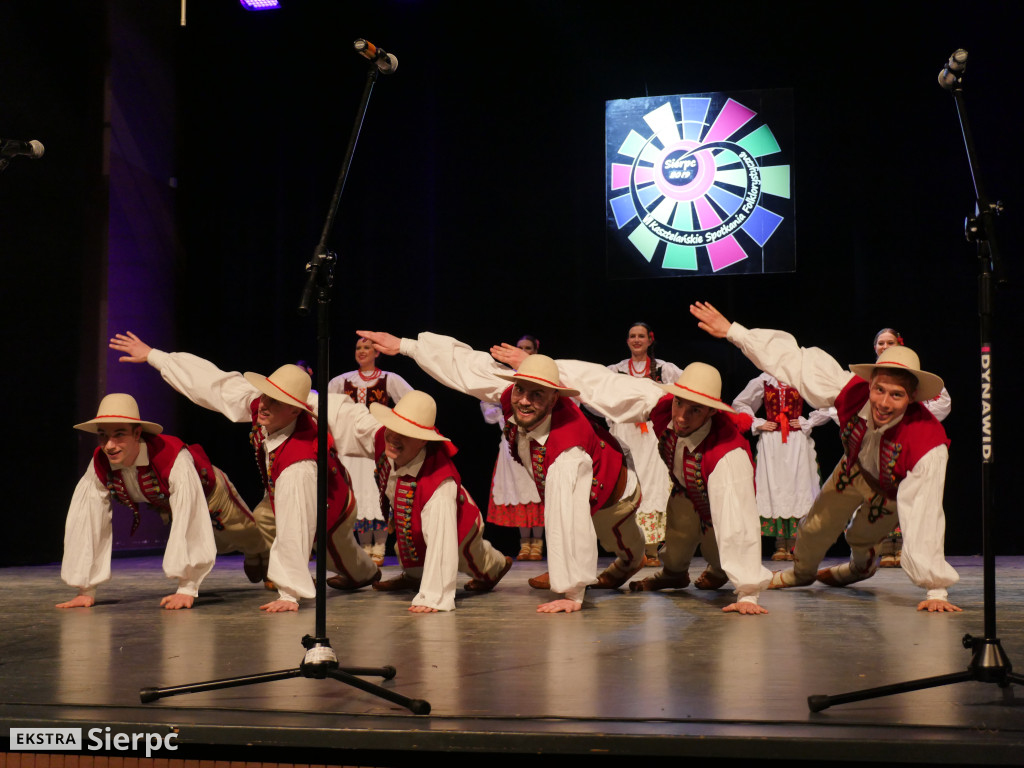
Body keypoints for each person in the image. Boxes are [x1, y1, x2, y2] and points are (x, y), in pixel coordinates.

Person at [690, 301, 961, 612]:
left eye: (896, 395)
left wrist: (935, 590)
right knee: (814, 527)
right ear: (870, 384)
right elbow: (795, 360)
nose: (884, 403)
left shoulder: (927, 442)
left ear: (912, 397)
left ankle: (858, 569)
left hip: (891, 489)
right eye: (879, 390)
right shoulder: (850, 390)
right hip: (854, 469)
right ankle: (801, 573)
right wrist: (734, 332)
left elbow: (926, 514)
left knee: (861, 536)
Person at [357, 329, 646, 614]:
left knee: (618, 536)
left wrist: (571, 590)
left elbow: (569, 517)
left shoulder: (567, 454)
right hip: (580, 477)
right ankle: (584, 566)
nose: (523, 401)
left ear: (555, 398)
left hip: (614, 491)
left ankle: (629, 562)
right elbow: (469, 367)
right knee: (584, 522)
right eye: (521, 389)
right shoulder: (513, 395)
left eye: (537, 394)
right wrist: (405, 345)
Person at [109, 331, 381, 613]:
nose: (264, 404)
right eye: (266, 396)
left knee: (334, 550)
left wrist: (289, 594)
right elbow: (213, 385)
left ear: (295, 411)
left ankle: (364, 573)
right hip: (279, 492)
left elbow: (294, 527)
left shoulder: (300, 462)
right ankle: (266, 563)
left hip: (332, 504)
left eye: (275, 401)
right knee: (263, 517)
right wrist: (155, 355)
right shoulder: (261, 405)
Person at [496, 347, 771, 615]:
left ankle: (719, 570)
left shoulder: (728, 456)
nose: (681, 417)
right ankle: (674, 574)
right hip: (685, 494)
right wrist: (539, 367)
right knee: (676, 539)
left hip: (718, 505)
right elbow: (604, 384)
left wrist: (748, 592)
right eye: (679, 403)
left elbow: (739, 522)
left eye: (695, 410)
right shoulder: (663, 405)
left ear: (712, 412)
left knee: (719, 547)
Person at [311, 388, 513, 612]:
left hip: (460, 528)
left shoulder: (438, 486)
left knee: (472, 557)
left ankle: (497, 566)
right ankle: (415, 576)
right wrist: (301, 400)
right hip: (416, 519)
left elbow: (442, 543)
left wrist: (433, 597)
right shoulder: (384, 436)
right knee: (410, 535)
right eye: (394, 428)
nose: (395, 437)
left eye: (406, 433)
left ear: (424, 441)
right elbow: (347, 416)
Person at [60, 393, 268, 610]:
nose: (109, 445)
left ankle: (260, 553)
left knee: (242, 531)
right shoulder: (99, 463)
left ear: (137, 433)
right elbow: (87, 522)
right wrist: (86, 589)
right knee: (219, 542)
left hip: (211, 491)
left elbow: (190, 514)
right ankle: (253, 551)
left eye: (119, 434)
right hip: (168, 502)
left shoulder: (171, 457)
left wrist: (187, 588)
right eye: (102, 436)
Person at [327, 336, 413, 565]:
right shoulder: (341, 381)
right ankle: (365, 547)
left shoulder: (389, 379)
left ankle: (380, 546)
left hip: (377, 444)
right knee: (358, 495)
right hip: (350, 449)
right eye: (358, 347)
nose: (362, 351)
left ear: (377, 353)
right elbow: (328, 407)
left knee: (378, 494)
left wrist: (396, 426)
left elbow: (411, 400)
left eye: (367, 347)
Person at [872, 328, 952, 567]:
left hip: (906, 444)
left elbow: (943, 402)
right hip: (876, 443)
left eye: (890, 342)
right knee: (878, 490)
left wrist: (910, 416)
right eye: (881, 343)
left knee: (910, 494)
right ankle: (885, 547)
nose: (885, 347)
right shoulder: (868, 379)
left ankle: (910, 552)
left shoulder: (913, 377)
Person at [605, 322, 682, 566]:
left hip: (651, 434)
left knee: (653, 484)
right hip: (625, 432)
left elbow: (686, 387)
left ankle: (651, 550)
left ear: (650, 340)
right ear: (627, 341)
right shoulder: (615, 370)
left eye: (641, 336)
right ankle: (630, 550)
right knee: (627, 485)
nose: (636, 340)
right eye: (632, 336)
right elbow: (598, 394)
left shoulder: (664, 369)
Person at [732, 374, 831, 560]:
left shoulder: (800, 377)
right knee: (774, 487)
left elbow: (828, 403)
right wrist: (758, 422)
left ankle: (796, 543)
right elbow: (740, 404)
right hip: (772, 442)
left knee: (798, 486)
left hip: (796, 441)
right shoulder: (763, 381)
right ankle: (780, 544)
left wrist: (808, 422)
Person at [481, 334, 545, 561]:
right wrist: (502, 408)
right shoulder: (505, 377)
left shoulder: (543, 375)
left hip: (537, 442)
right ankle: (524, 544)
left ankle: (537, 543)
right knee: (519, 491)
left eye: (528, 348)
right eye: (520, 347)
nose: (524, 351)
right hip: (511, 444)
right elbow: (488, 410)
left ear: (535, 351)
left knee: (536, 491)